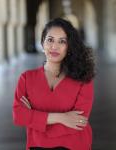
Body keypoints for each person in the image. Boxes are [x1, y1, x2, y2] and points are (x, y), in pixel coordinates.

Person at [13, 18, 95, 150]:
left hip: (75, 145)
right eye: (50, 40)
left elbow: (79, 121)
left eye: (62, 41)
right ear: (42, 42)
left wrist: (35, 119)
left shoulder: (84, 78)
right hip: (37, 146)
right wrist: (62, 118)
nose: (54, 46)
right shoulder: (26, 78)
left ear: (69, 46)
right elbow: (19, 116)